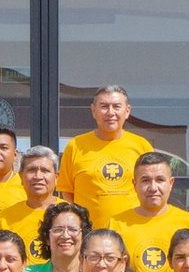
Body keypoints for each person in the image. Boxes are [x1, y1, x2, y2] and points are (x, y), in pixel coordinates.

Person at [114, 151, 189, 272]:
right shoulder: (117, 224)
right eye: (145, 180)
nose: (153, 188)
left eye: (160, 180)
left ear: (171, 183)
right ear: (134, 184)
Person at [58, 85, 152, 227]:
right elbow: (67, 192)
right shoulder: (75, 146)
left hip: (132, 230)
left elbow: (151, 186)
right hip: (89, 237)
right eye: (104, 106)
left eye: (116, 106)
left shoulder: (142, 146)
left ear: (127, 111)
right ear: (93, 111)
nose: (110, 112)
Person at [0, 145, 62, 266]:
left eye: (45, 171)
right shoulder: (5, 218)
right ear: (21, 177)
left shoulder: (69, 214)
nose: (38, 176)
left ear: (56, 178)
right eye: (31, 170)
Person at [24, 201, 88, 272]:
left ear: (83, 236)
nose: (65, 236)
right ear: (47, 238)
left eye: (73, 229)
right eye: (58, 229)